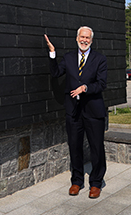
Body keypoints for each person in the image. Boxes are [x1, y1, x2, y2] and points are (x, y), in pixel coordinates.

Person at [44, 27, 107, 199]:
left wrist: (85, 88)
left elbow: (101, 84)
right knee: (75, 147)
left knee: (96, 148)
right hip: (73, 111)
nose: (84, 40)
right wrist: (52, 53)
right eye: (82, 37)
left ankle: (96, 183)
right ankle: (77, 181)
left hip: (94, 111)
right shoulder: (69, 57)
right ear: (77, 38)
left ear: (91, 40)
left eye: (88, 38)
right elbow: (56, 72)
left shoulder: (99, 59)